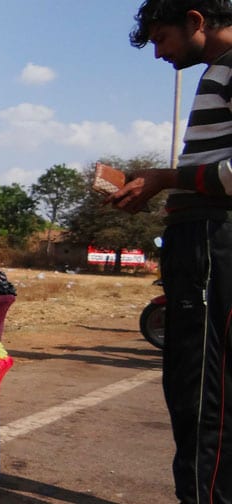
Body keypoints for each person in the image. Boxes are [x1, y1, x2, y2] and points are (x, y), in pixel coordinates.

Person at [113, 2, 232, 502]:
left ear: (196, 20)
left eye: (163, 38)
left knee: (200, 394)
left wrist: (168, 179)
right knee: (198, 388)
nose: (159, 53)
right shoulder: (219, 72)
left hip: (213, 245)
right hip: (201, 240)